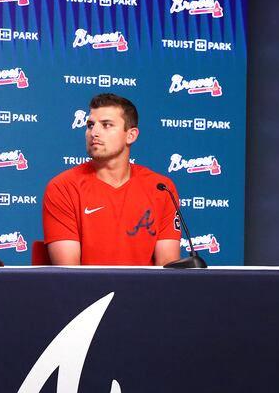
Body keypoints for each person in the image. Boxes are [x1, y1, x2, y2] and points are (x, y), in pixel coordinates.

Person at [42, 93, 181, 266]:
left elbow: (168, 268)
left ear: (131, 135)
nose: (94, 132)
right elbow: (69, 273)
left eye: (106, 125)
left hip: (145, 292)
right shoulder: (63, 187)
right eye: (90, 125)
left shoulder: (161, 188)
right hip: (88, 293)